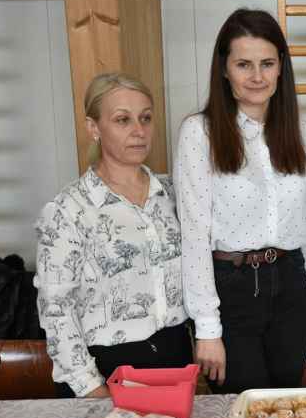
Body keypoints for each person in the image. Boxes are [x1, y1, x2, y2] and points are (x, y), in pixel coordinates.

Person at [175, 8, 306, 394]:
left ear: (281, 67)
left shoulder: (302, 133)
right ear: (224, 69)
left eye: (267, 63)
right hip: (231, 288)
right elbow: (194, 236)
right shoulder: (199, 133)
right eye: (243, 64)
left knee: (284, 409)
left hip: (291, 284)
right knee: (242, 411)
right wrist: (208, 329)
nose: (257, 77)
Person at [35, 72, 192, 398]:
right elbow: (56, 308)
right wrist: (90, 387)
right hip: (106, 366)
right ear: (93, 128)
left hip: (176, 356)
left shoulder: (174, 193)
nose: (138, 131)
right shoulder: (69, 209)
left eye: (145, 118)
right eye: (122, 120)